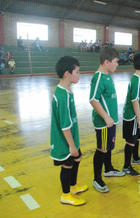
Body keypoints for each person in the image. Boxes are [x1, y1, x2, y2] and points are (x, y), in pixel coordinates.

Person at [50, 56, 87, 206]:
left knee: (77, 158)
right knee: (68, 164)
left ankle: (73, 186)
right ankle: (66, 195)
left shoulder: (67, 91)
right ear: (67, 73)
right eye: (77, 72)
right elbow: (65, 125)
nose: (79, 74)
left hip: (72, 137)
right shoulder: (62, 95)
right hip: (64, 140)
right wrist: (71, 145)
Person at [89, 46, 125, 193]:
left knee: (109, 146)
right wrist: (106, 117)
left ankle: (108, 169)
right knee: (102, 149)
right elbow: (93, 99)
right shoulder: (98, 78)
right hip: (103, 122)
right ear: (106, 62)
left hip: (111, 121)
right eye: (115, 62)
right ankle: (97, 179)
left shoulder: (107, 77)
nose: (117, 64)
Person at [122, 53, 140, 177]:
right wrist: (139, 118)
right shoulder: (137, 81)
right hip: (132, 116)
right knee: (131, 141)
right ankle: (127, 166)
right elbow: (135, 101)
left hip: (138, 115)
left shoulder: (139, 79)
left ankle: (136, 158)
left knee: (136, 138)